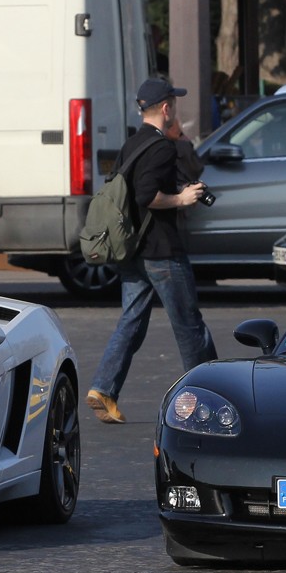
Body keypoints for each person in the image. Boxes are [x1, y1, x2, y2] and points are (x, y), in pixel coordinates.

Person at [87, 78, 218, 424]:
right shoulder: (161, 147)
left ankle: (103, 389)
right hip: (162, 252)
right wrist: (181, 199)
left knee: (131, 323)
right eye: (174, 102)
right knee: (190, 327)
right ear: (165, 108)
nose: (176, 108)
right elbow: (147, 195)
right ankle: (212, 396)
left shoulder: (132, 144)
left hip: (132, 252)